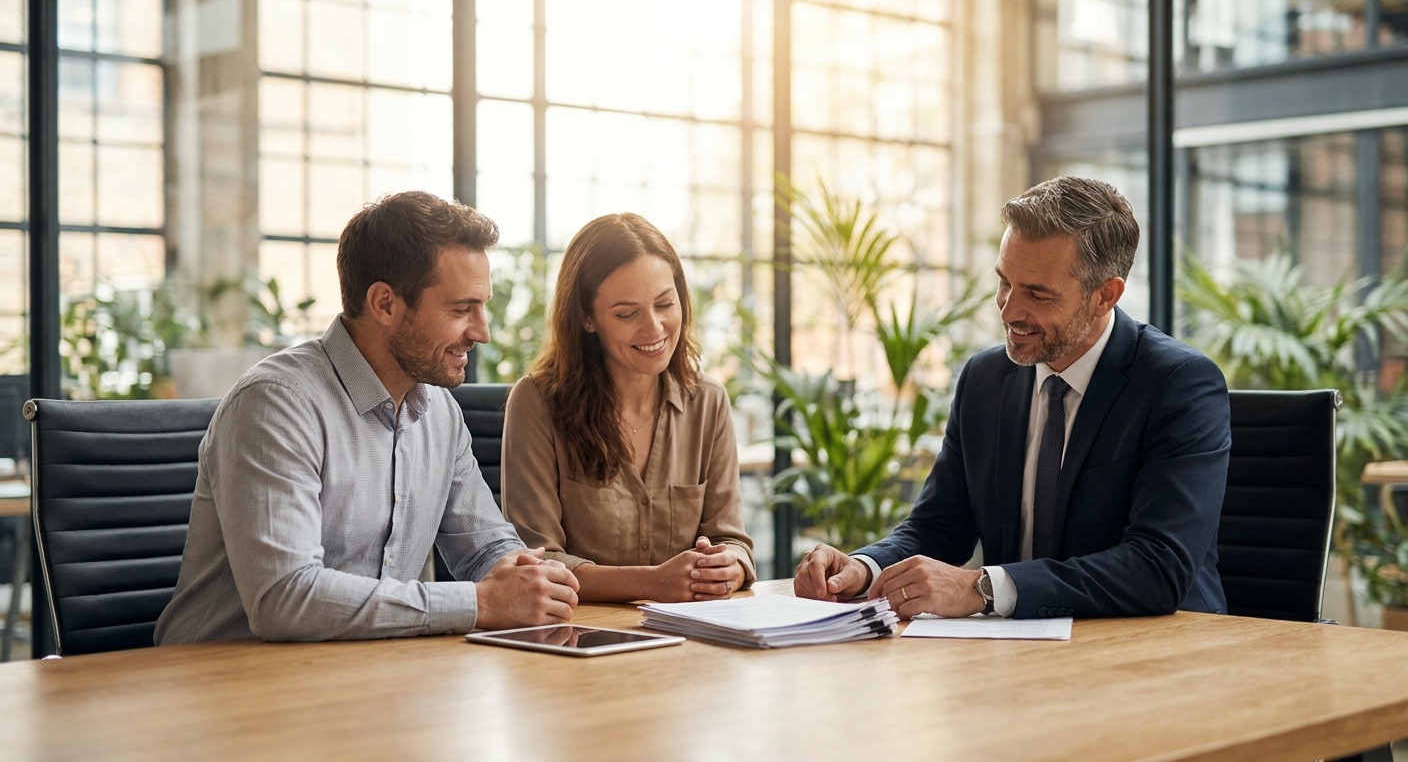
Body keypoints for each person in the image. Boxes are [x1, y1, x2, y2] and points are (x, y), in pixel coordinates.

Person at [795, 176, 1230, 620]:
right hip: (1017, 652)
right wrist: (865, 569)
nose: (1008, 310)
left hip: (1159, 654)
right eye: (1005, 282)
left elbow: (1158, 567)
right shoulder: (985, 378)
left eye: (1036, 293)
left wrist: (983, 587)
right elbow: (940, 525)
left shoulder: (1178, 385)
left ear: (1105, 295)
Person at [155, 191, 580, 645]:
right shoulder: (276, 403)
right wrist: (481, 603)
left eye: (482, 306)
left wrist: (528, 577)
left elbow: (486, 548)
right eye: (460, 309)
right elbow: (284, 599)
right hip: (226, 684)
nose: (482, 332)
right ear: (384, 304)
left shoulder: (438, 411)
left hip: (365, 676)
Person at [502, 213, 755, 603]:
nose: (654, 328)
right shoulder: (537, 402)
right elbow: (538, 561)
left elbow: (731, 539)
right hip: (574, 639)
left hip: (691, 639)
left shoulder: (707, 401)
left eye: (665, 304)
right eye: (627, 314)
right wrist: (652, 583)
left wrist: (729, 565)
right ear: (586, 318)